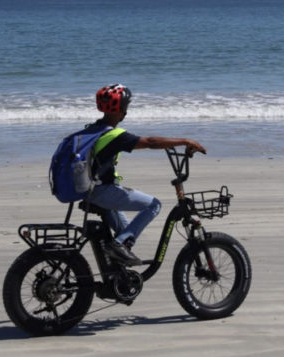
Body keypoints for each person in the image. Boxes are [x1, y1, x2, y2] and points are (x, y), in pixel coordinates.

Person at [86, 84, 206, 266]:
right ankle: (118, 245)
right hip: (103, 191)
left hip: (90, 190)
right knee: (153, 205)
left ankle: (115, 276)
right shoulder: (114, 135)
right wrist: (185, 141)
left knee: (126, 231)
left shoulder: (93, 130)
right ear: (123, 109)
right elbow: (150, 142)